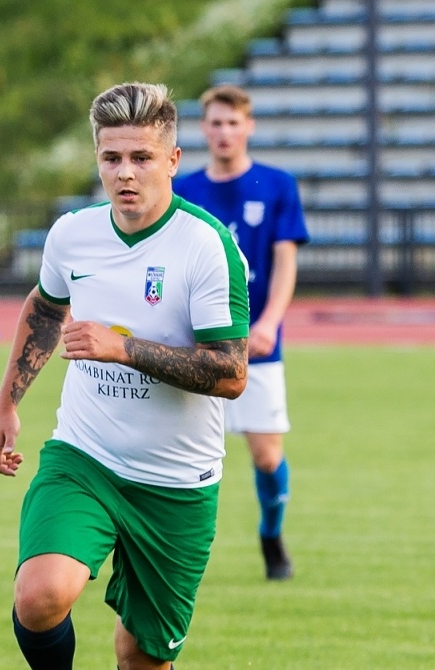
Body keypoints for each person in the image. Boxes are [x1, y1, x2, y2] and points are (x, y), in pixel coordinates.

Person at [0, 82, 249, 670]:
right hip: (85, 456)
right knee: (41, 595)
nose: (126, 172)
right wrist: (9, 404)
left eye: (141, 156)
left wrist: (123, 346)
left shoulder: (206, 246)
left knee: (143, 657)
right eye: (111, 158)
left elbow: (230, 372)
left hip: (176, 482)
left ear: (173, 157)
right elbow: (42, 309)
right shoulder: (73, 235)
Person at [174, 85, 309, 580]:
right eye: (215, 122)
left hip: (258, 347)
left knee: (267, 455)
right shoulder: (185, 189)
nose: (224, 132)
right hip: (197, 346)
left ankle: (272, 535)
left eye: (233, 123)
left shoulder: (277, 185)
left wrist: (270, 322)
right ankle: (172, 549)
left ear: (248, 127)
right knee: (175, 451)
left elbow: (285, 261)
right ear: (203, 128)